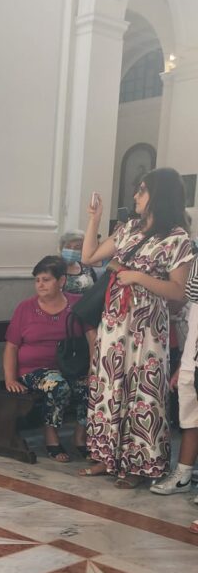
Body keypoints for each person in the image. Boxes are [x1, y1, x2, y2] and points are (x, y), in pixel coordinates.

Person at [81, 169, 195, 487]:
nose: (136, 196)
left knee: (141, 394)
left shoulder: (178, 239)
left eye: (142, 190)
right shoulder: (128, 228)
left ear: (160, 195)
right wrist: (94, 218)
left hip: (147, 329)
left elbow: (178, 291)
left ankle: (137, 466)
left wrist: (138, 277)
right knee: (110, 388)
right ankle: (107, 458)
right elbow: (89, 256)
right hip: (115, 324)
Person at [4, 256, 96, 461]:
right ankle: (51, 436)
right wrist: (10, 378)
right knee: (58, 386)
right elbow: (11, 346)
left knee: (90, 385)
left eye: (46, 279)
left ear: (61, 281)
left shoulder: (76, 304)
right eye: (37, 280)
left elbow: (92, 335)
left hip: (70, 367)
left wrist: (93, 367)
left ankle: (80, 437)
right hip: (34, 371)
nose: (40, 284)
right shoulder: (25, 308)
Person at [150, 256, 198, 525]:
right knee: (190, 420)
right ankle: (182, 475)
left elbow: (188, 290)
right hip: (193, 355)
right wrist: (183, 364)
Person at [58, 229, 97, 294]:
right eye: (68, 247)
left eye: (77, 247)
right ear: (61, 248)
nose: (72, 250)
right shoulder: (53, 267)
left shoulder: (87, 268)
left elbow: (96, 290)